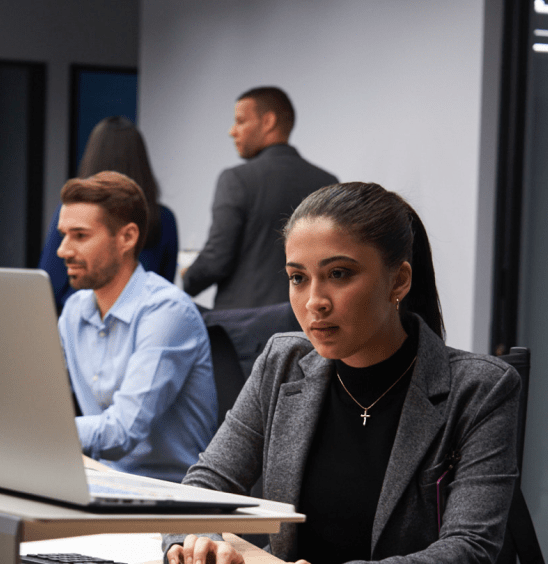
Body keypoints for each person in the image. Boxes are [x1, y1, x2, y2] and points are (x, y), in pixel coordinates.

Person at [164, 182, 520, 563]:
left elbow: (469, 550)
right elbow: (204, 486)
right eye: (298, 278)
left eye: (338, 274)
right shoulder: (281, 363)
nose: (315, 301)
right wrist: (199, 542)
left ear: (398, 280)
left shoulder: (480, 389)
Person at [56, 171, 216, 482]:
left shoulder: (166, 312)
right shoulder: (74, 311)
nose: (63, 250)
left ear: (127, 238)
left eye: (80, 235)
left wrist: (36, 430)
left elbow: (121, 433)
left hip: (171, 498)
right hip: (103, 481)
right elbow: (41, 396)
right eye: (63, 234)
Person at [182, 86, 338, 309]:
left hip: (243, 327)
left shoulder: (236, 179)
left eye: (240, 121)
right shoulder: (328, 183)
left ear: (268, 122)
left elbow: (217, 259)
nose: (232, 131)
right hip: (306, 319)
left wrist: (188, 279)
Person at [40, 116, 179, 312]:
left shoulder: (73, 216)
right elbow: (164, 284)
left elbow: (49, 286)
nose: (64, 251)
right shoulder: (164, 219)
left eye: (80, 235)